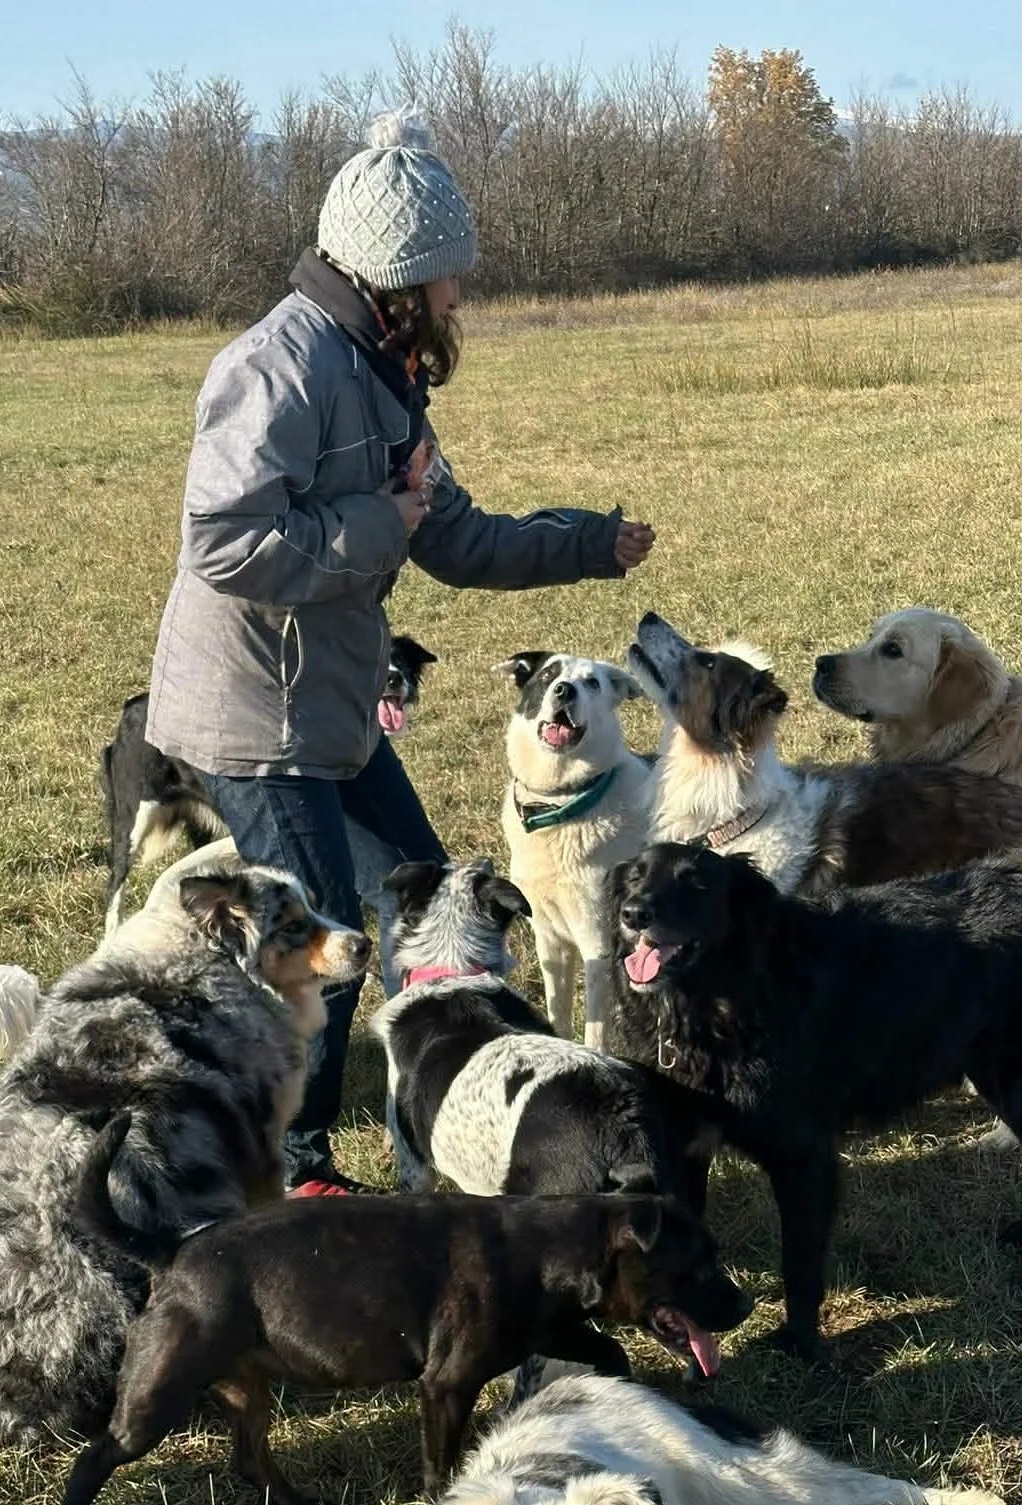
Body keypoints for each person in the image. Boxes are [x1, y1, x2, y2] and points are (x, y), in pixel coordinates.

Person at [145, 112, 656, 1195]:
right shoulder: (276, 367)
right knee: (323, 939)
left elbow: (454, 533)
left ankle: (443, 1111)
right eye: (448, 280)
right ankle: (295, 1167)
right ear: (395, 280)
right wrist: (380, 519)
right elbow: (224, 543)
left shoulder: (381, 371)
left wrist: (587, 544)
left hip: (327, 703)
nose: (460, 299)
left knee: (427, 902)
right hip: (256, 712)